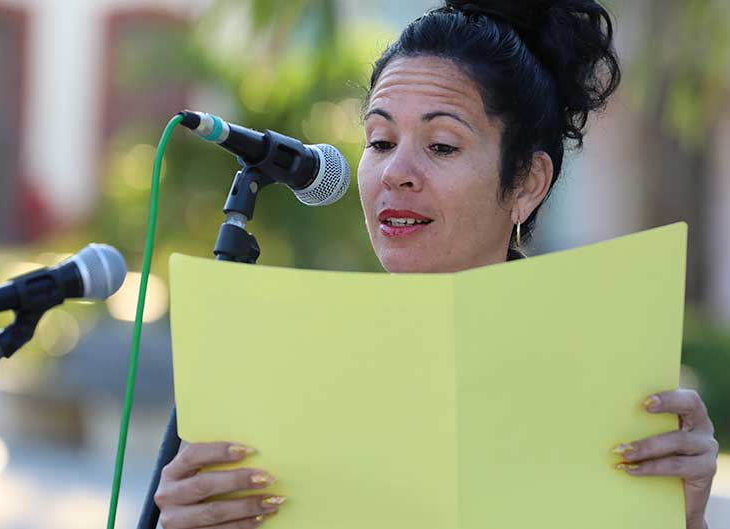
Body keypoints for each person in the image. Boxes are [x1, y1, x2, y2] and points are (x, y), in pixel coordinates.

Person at [153, 1, 720, 528]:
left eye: (442, 146)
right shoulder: (288, 353)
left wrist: (681, 514)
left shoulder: (607, 375)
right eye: (379, 141)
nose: (396, 172)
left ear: (527, 182)